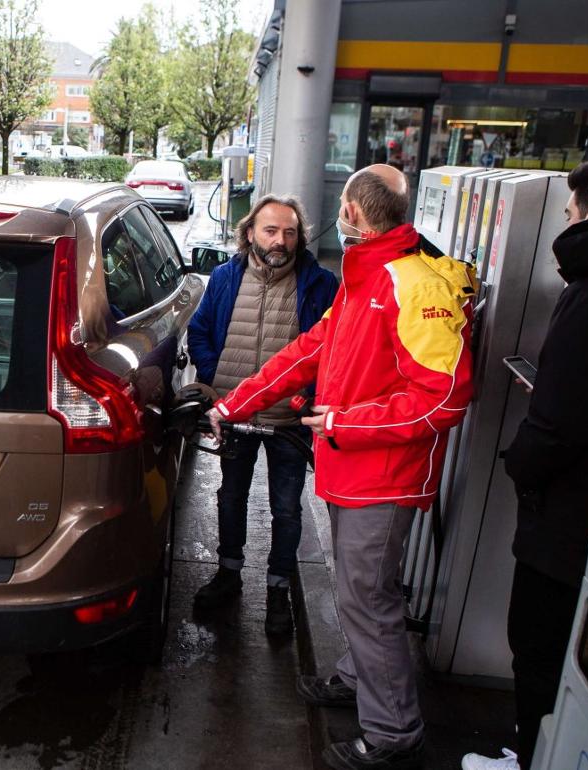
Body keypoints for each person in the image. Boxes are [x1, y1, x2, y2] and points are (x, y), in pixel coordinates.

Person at [210, 164, 476, 770]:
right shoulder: (364, 280)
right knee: (363, 597)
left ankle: (392, 732)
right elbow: (305, 353)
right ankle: (360, 679)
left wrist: (344, 424)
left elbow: (443, 398)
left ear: (351, 214)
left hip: (381, 478)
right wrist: (234, 402)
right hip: (352, 472)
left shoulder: (413, 285)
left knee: (369, 602)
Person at [462, 160, 588, 770]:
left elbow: (562, 421)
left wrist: (521, 465)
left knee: (539, 648)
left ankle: (533, 755)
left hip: (567, 520)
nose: (564, 228)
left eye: (568, 215)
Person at [187, 195, 338, 635]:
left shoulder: (320, 284)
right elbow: (198, 332)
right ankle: (229, 573)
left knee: (286, 509)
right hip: (235, 416)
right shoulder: (223, 277)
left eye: (290, 232)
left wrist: (308, 395)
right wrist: (218, 377)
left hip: (288, 423)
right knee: (230, 497)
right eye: (271, 230)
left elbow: (330, 349)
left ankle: (277, 589)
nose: (281, 240)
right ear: (250, 232)